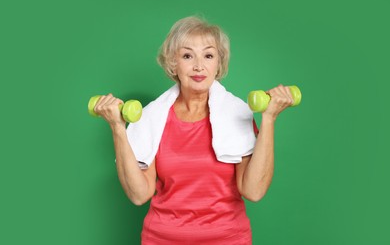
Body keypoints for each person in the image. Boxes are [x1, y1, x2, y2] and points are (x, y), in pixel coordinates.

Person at [94, 16, 294, 244]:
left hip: (228, 238)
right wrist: (118, 128)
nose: (199, 66)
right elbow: (139, 195)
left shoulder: (237, 113)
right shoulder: (151, 117)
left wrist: (269, 118)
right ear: (173, 63)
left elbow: (253, 191)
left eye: (208, 55)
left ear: (219, 63)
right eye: (187, 56)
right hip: (162, 238)